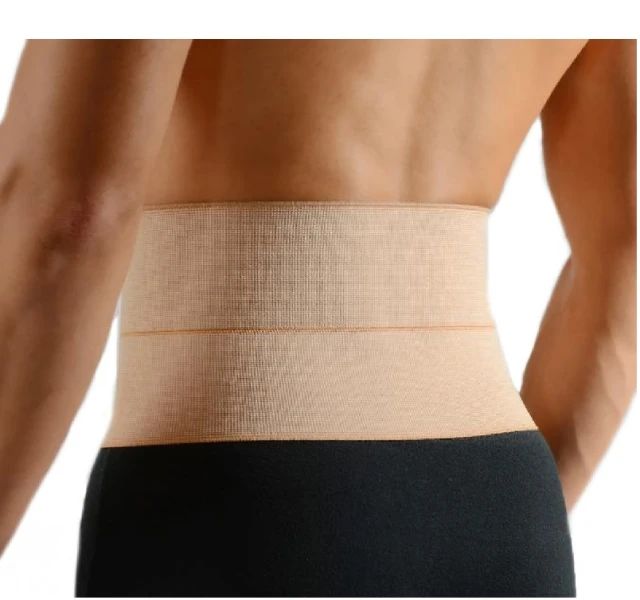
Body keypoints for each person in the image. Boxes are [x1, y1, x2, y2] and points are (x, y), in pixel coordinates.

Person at [0, 39, 635, 597]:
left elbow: (68, 216)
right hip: (500, 514)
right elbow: (624, 252)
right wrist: (487, 518)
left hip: (240, 506)